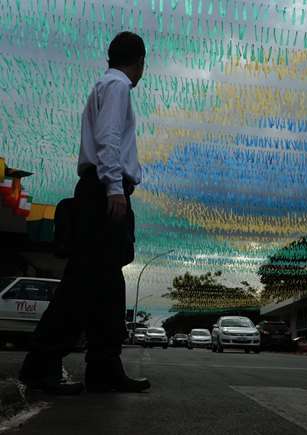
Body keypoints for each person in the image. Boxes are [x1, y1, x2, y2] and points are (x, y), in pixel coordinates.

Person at [19, 32, 150, 395]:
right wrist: (113, 188)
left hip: (99, 189)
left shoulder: (103, 86)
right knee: (84, 282)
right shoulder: (118, 87)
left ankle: (104, 365)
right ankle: (41, 364)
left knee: (107, 284)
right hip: (103, 191)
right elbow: (108, 138)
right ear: (139, 62)